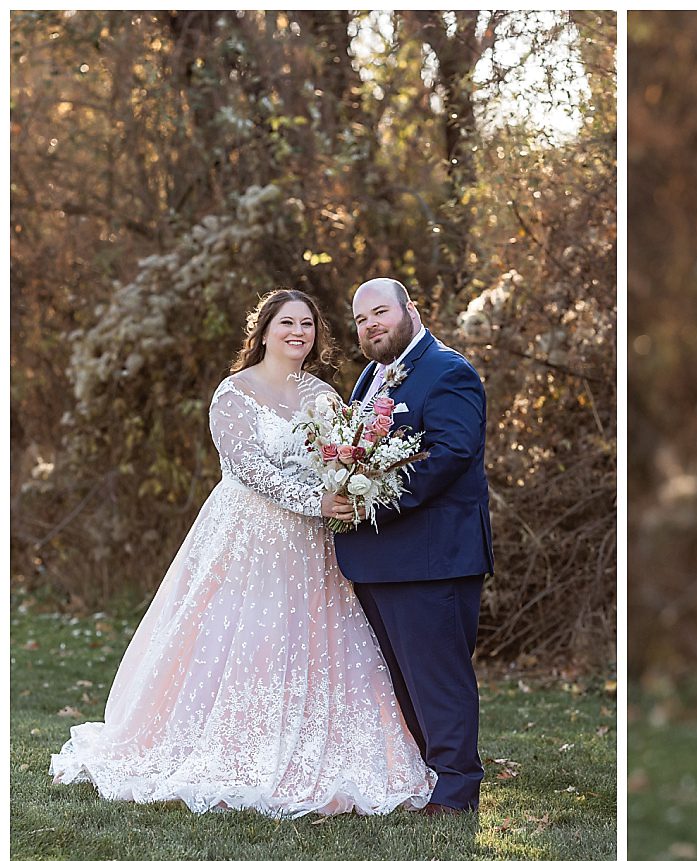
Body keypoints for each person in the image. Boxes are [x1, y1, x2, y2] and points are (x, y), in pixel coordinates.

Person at [51, 290, 435, 817]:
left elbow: (341, 456)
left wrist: (349, 489)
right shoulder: (233, 394)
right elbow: (250, 470)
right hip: (248, 537)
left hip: (312, 545)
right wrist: (317, 502)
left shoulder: (324, 394)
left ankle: (322, 749)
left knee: (316, 637)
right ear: (264, 331)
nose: (298, 332)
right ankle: (232, 746)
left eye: (307, 324)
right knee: (244, 634)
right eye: (286, 323)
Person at [330, 278, 494, 815]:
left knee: (438, 679)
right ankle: (427, 777)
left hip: (432, 559)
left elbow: (450, 455)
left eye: (380, 312)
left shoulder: (449, 372)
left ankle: (455, 791)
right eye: (360, 320)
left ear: (411, 311)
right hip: (380, 560)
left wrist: (374, 499)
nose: (371, 325)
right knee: (403, 680)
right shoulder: (370, 380)